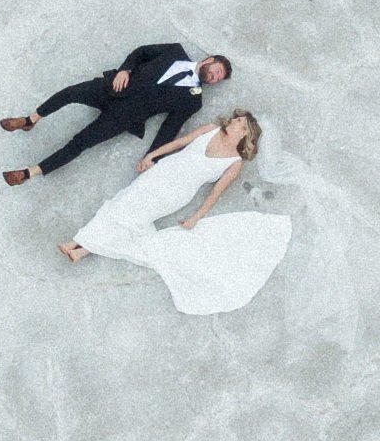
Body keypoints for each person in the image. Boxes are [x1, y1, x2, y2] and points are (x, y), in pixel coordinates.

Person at [56, 110, 291, 316]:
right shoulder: (211, 129)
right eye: (236, 118)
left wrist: (196, 216)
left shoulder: (235, 162)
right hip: (161, 173)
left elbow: (215, 193)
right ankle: (81, 249)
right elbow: (180, 143)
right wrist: (152, 156)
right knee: (121, 205)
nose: (234, 120)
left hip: (177, 193)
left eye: (240, 122)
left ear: (244, 133)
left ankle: (78, 244)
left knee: (129, 215)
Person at [1, 44, 231, 185]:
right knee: (70, 93)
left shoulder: (193, 100)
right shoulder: (175, 51)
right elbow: (141, 52)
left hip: (123, 117)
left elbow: (170, 127)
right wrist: (125, 70)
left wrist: (152, 157)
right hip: (115, 87)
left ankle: (28, 173)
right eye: (217, 71)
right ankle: (31, 120)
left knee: (79, 143)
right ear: (209, 60)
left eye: (218, 78)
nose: (215, 77)